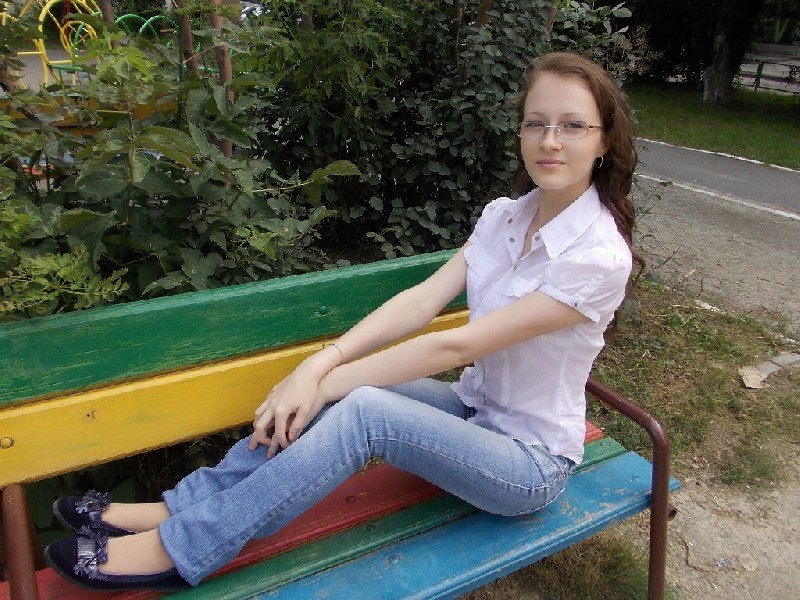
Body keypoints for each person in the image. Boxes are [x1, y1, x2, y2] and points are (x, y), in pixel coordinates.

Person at [45, 51, 639, 591]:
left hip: (528, 463)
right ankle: (180, 508)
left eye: (572, 125)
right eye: (536, 123)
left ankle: (182, 546)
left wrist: (325, 380)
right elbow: (422, 301)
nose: (549, 140)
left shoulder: (598, 256)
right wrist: (319, 364)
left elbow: (455, 346)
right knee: (345, 391)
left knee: (364, 409)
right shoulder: (507, 216)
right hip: (473, 412)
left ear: (604, 141)